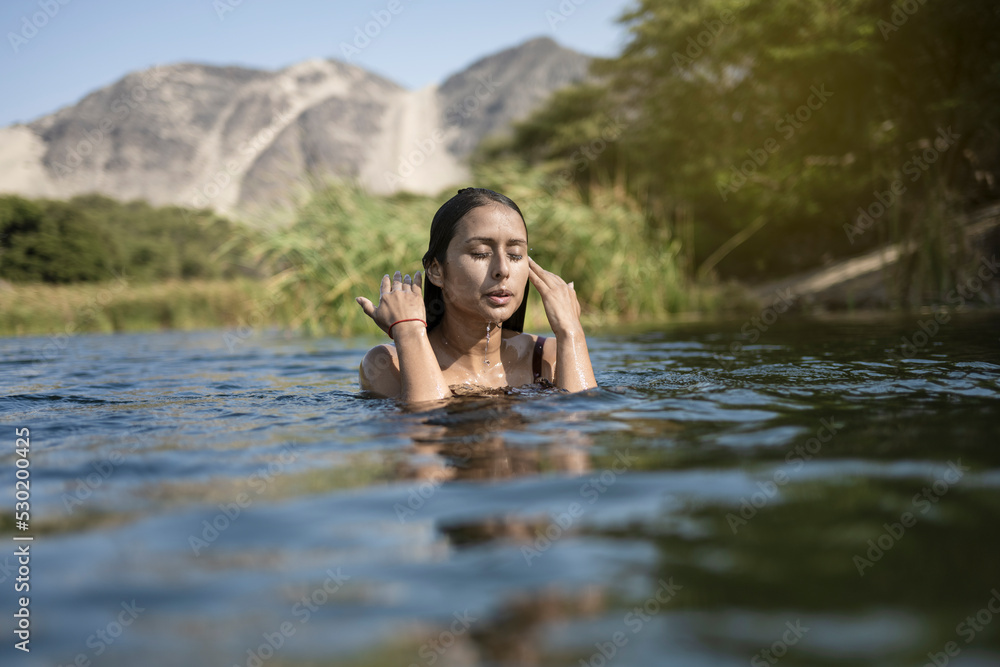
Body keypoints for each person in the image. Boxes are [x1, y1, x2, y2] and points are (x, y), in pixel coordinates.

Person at [355, 187, 597, 403]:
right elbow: (425, 436)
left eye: (515, 254)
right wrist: (408, 332)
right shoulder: (390, 364)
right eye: (480, 253)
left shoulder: (548, 357)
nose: (503, 269)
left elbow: (577, 432)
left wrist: (571, 332)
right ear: (437, 271)